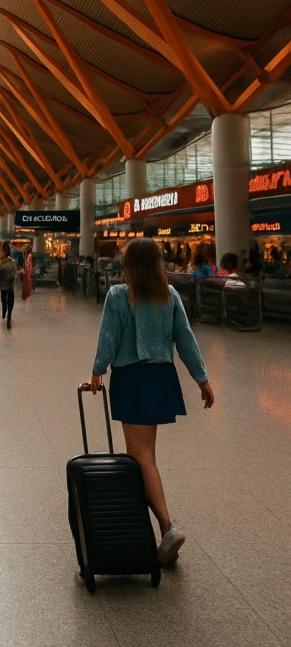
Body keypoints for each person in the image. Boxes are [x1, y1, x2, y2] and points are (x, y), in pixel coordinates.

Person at [82, 238, 214, 566]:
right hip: (161, 377)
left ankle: (167, 526)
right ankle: (149, 528)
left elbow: (109, 338)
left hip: (133, 377)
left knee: (141, 455)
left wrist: (98, 372)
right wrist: (202, 379)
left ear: (129, 264)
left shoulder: (118, 295)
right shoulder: (168, 296)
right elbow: (185, 339)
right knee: (146, 453)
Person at [0, 240, 19, 328]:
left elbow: (15, 270)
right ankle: (5, 309)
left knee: (10, 298)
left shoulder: (11, 260)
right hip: (3, 282)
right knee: (4, 298)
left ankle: (9, 316)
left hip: (10, 282)